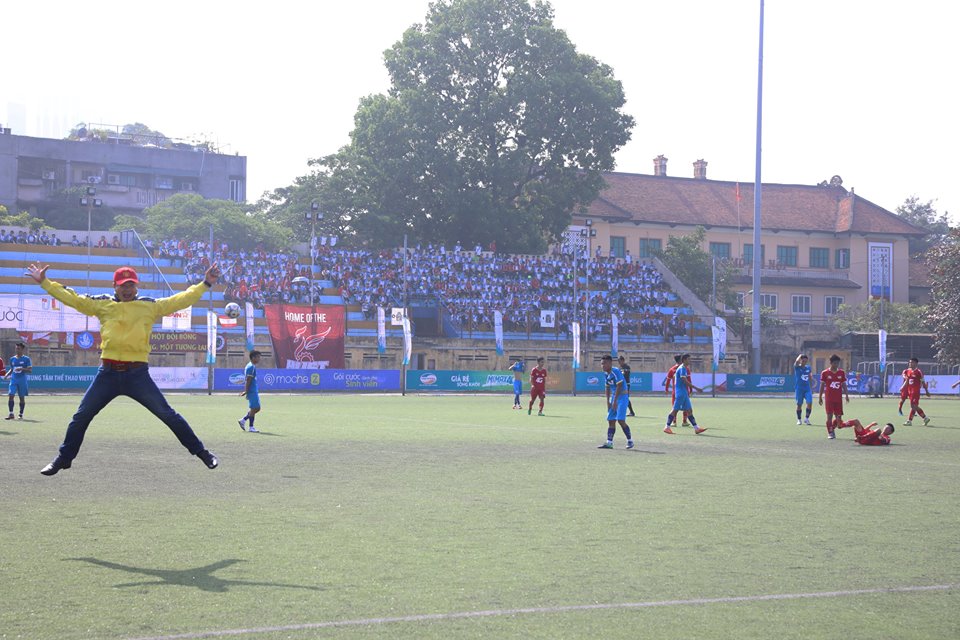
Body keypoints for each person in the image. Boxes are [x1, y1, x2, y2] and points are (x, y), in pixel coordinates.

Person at [27, 262, 221, 475]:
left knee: (168, 415)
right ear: (115, 286)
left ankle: (202, 453)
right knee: (81, 416)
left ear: (137, 287)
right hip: (107, 374)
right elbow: (74, 299)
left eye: (131, 285)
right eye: (123, 285)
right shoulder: (102, 304)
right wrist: (45, 283)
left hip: (137, 375)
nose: (127, 290)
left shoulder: (149, 306)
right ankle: (64, 459)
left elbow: (180, 300)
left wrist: (205, 283)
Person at [663, 353, 707, 435]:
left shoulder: (684, 368)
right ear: (684, 360)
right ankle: (667, 427)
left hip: (684, 393)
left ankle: (696, 428)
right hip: (681, 393)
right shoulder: (682, 368)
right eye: (689, 359)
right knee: (675, 410)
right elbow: (685, 380)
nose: (690, 361)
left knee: (689, 410)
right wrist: (696, 388)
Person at [598, 354, 634, 449]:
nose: (602, 366)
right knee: (611, 420)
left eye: (604, 363)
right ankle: (609, 442)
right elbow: (607, 387)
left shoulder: (616, 371)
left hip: (622, 397)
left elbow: (619, 386)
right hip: (614, 397)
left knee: (621, 420)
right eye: (601, 364)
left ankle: (630, 441)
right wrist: (608, 401)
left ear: (610, 363)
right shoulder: (606, 374)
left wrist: (614, 402)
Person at [818, 353, 850, 440]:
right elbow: (822, 385)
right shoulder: (825, 373)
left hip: (838, 399)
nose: (836, 365)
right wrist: (820, 397)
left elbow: (844, 385)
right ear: (831, 363)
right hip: (829, 399)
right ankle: (830, 432)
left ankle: (832, 427)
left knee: (839, 421)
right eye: (835, 363)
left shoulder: (841, 372)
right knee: (829, 415)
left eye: (838, 363)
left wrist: (847, 395)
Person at [4, 342, 32, 420]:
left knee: (21, 398)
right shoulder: (12, 359)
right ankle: (11, 414)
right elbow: (12, 369)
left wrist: (22, 368)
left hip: (22, 380)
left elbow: (30, 370)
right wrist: (7, 374)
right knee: (11, 395)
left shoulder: (26, 359)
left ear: (22, 349)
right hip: (13, 380)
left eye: (18, 348)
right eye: (16, 348)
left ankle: (21, 414)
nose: (17, 350)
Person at [901, 357, 931, 426]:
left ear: (916, 363)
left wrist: (926, 391)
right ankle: (925, 418)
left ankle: (909, 421)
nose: (910, 363)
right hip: (910, 391)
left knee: (913, 406)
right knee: (914, 406)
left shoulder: (918, 372)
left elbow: (923, 382)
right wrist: (903, 388)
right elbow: (907, 381)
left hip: (915, 391)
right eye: (909, 362)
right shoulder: (908, 371)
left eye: (911, 362)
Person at [662, 354, 690, 427]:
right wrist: (691, 389)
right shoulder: (685, 368)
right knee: (686, 406)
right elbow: (689, 380)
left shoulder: (672, 369)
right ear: (681, 360)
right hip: (684, 390)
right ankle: (684, 421)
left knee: (675, 406)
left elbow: (668, 381)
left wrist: (666, 389)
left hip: (675, 391)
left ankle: (674, 422)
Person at [238, 350, 262, 432]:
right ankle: (251, 427)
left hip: (253, 390)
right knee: (255, 408)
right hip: (252, 390)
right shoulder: (251, 367)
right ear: (253, 358)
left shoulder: (251, 366)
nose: (259, 359)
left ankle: (243, 420)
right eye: (258, 357)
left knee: (256, 408)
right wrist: (246, 391)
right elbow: (248, 380)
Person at [794, 353, 813, 425]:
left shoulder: (808, 368)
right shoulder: (797, 367)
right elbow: (796, 361)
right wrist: (800, 355)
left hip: (807, 389)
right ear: (801, 360)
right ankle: (799, 419)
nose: (804, 362)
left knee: (809, 402)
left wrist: (811, 386)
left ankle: (806, 419)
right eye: (803, 361)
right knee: (799, 404)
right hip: (799, 389)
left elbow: (810, 376)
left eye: (806, 361)